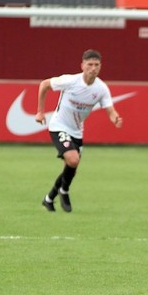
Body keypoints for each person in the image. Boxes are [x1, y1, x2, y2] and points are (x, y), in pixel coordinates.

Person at [35, 49, 123, 213]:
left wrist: (115, 118)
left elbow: (110, 110)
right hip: (59, 126)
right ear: (82, 65)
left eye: (96, 65)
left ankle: (49, 199)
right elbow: (44, 85)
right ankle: (64, 191)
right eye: (90, 64)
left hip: (77, 131)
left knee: (70, 166)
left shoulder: (101, 88)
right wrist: (40, 111)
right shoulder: (70, 81)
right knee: (73, 160)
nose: (93, 68)